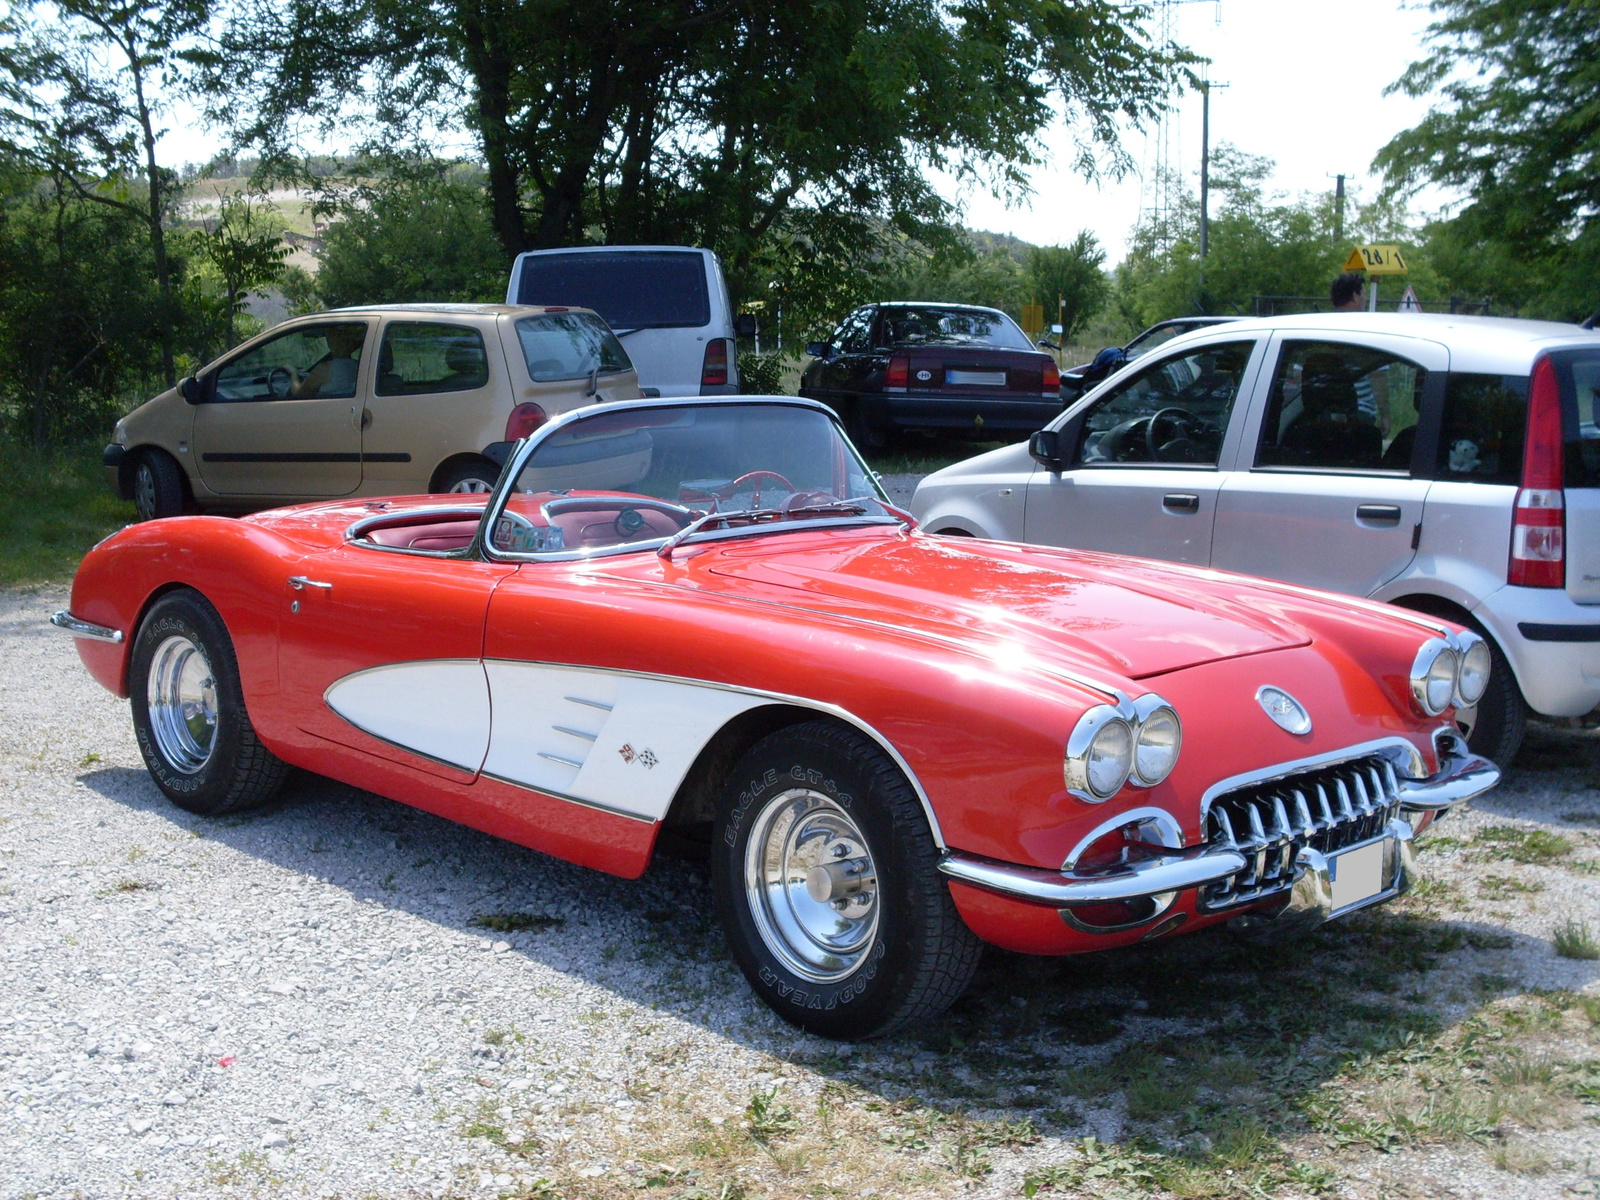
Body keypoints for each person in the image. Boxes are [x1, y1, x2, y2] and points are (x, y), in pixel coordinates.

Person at [292, 325, 364, 399]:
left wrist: (293, 374)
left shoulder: (324, 369)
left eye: (328, 337)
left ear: (330, 343)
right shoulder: (358, 367)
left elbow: (298, 395)